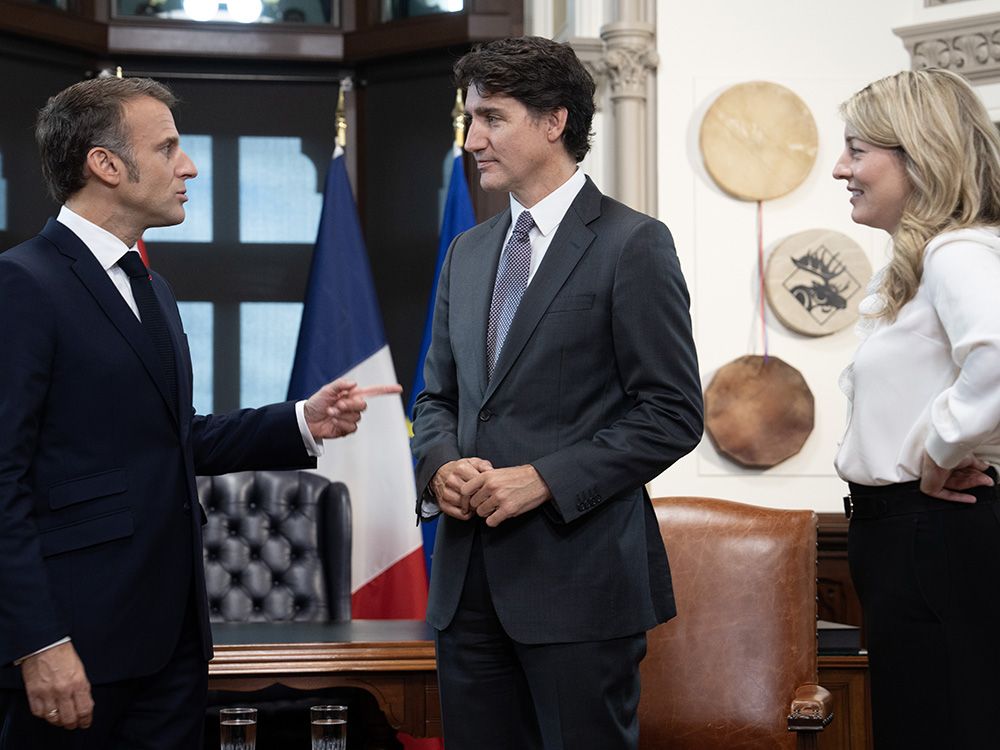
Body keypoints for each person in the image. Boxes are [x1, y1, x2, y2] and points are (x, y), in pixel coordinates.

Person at [0, 76, 400, 750]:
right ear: (105, 164)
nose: (188, 166)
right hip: (74, 642)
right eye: (167, 149)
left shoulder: (151, 287)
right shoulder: (21, 284)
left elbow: (173, 439)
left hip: (173, 641)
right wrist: (38, 640)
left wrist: (303, 420)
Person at [411, 36, 703, 750]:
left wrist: (544, 479)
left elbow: (671, 413)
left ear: (554, 121)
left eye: (492, 118)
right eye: (469, 117)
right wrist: (441, 464)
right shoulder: (469, 250)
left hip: (580, 585)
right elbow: (437, 398)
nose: (472, 138)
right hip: (465, 584)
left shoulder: (634, 245)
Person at [833, 68, 1000, 749]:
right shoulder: (922, 261)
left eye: (857, 149)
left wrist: (940, 449)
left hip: (931, 532)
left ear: (918, 154)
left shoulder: (956, 252)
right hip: (908, 535)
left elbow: (996, 358)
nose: (841, 168)